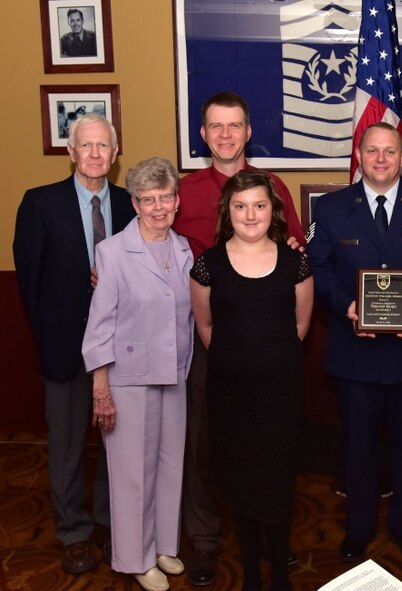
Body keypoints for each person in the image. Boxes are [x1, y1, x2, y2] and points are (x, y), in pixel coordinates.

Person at [306, 122, 402, 563]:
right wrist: (347, 307)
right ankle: (358, 530)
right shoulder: (332, 208)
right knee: (357, 447)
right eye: (372, 150)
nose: (380, 159)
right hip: (355, 353)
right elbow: (318, 271)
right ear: (359, 155)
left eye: (389, 151)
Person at [172, 91, 305, 585]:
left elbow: (293, 250)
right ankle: (206, 542)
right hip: (209, 340)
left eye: (235, 126)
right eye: (215, 126)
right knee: (208, 444)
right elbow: (151, 234)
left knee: (271, 447)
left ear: (249, 132)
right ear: (203, 134)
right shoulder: (183, 191)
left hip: (269, 342)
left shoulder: (276, 188)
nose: (226, 134)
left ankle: (273, 538)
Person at [13, 114, 133, 575]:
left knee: (115, 443)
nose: (96, 154)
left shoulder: (129, 204)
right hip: (64, 348)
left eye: (104, 146)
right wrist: (49, 340)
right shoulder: (40, 204)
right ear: (71, 152)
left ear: (116, 153)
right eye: (87, 145)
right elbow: (31, 283)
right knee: (65, 447)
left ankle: (107, 520)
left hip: (122, 349)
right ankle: (73, 532)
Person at [190, 169, 313, 591]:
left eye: (259, 205)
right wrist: (239, 359)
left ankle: (279, 574)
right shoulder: (207, 265)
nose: (250, 214)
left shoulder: (296, 262)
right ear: (228, 211)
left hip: (281, 395)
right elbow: (206, 328)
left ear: (272, 210)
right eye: (240, 206)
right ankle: (251, 578)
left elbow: (300, 326)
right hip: (230, 394)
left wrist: (267, 359)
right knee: (239, 483)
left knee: (278, 483)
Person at [82, 157, 192, 591]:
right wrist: (100, 387)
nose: (159, 208)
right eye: (148, 200)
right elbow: (100, 324)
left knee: (170, 465)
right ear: (135, 203)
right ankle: (135, 557)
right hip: (127, 378)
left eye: (166, 197)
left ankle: (164, 546)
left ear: (177, 201)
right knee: (132, 473)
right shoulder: (112, 253)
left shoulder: (184, 249)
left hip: (175, 373)